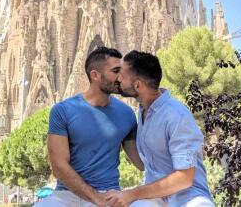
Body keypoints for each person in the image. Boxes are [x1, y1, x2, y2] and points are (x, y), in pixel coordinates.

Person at [35, 47, 161, 207]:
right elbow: (59, 167)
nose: (121, 77)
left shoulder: (127, 114)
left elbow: (142, 163)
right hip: (66, 195)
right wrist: (95, 198)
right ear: (95, 75)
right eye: (115, 71)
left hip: (107, 193)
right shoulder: (62, 110)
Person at [106, 51, 215, 207]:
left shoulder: (176, 115)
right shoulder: (143, 110)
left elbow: (184, 178)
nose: (118, 79)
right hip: (156, 197)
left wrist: (132, 193)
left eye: (122, 76)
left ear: (138, 85)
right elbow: (144, 165)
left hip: (189, 198)